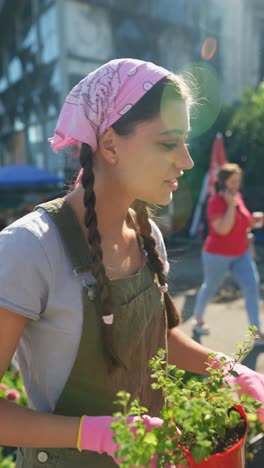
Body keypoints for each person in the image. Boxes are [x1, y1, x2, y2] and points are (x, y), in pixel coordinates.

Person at [0, 59, 264, 468]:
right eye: (167, 143)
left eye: (186, 142)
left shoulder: (146, 235)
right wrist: (91, 433)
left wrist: (231, 369)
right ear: (109, 145)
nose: (186, 160)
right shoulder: (29, 247)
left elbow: (157, 337)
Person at [192, 162, 264, 338]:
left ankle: (256, 332)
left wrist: (253, 220)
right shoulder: (215, 202)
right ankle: (198, 319)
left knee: (251, 286)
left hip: (240, 253)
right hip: (216, 255)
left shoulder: (237, 196)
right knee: (210, 287)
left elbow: (242, 222)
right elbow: (223, 229)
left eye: (238, 181)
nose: (236, 185)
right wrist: (230, 205)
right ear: (223, 182)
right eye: (233, 181)